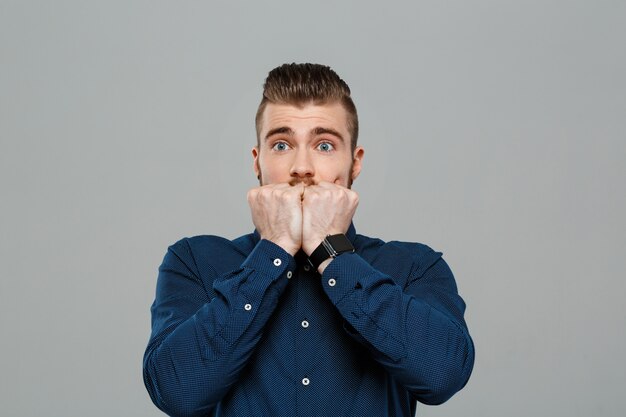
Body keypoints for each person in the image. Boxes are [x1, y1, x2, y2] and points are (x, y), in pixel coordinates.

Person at [143, 63, 474, 417]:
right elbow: (177, 391)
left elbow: (443, 375)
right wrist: (273, 249)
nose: (302, 167)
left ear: (355, 163)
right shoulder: (193, 261)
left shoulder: (414, 267)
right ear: (258, 162)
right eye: (282, 144)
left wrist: (332, 251)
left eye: (325, 145)